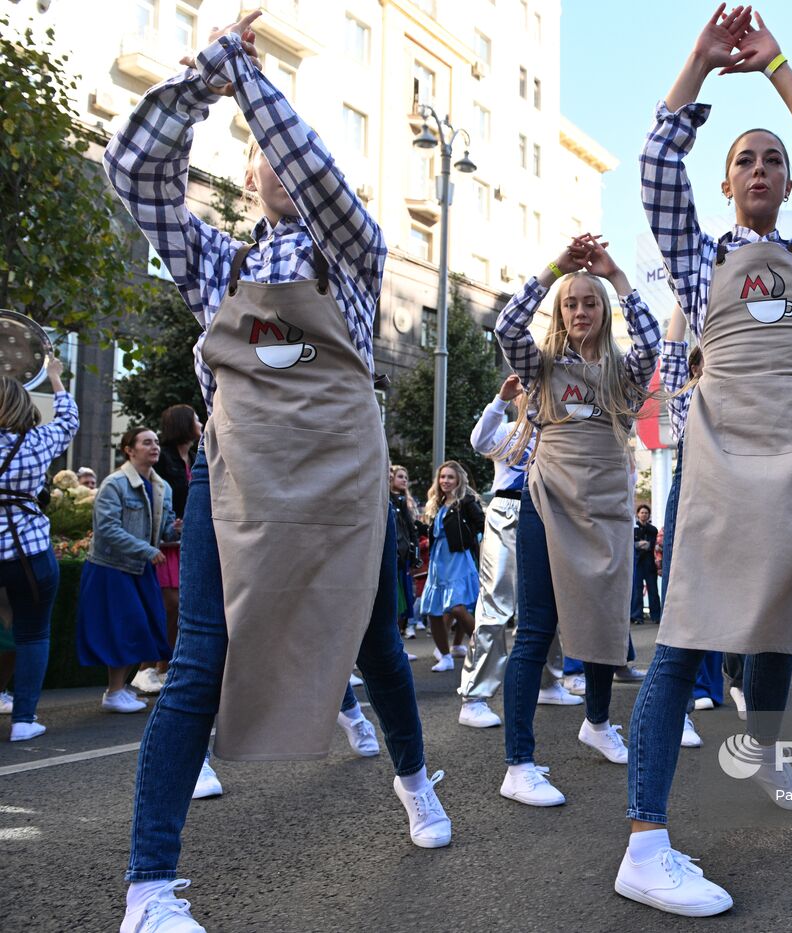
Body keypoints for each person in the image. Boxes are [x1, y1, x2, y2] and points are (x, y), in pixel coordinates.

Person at [106, 15, 451, 929]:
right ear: (249, 175)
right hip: (243, 483)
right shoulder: (219, 262)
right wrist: (198, 86)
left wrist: (249, 78)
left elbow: (326, 189)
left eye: (286, 148)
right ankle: (148, 889)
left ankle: (415, 781)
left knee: (375, 643)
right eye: (260, 153)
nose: (278, 163)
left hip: (343, 481)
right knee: (198, 661)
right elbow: (134, 175)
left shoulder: (353, 254)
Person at [618, 5, 792, 916]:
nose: (763, 168)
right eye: (746, 160)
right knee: (685, 639)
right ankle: (644, 838)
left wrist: (775, 63)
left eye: (772, 160)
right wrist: (702, 64)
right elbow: (652, 169)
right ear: (727, 182)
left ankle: (765, 747)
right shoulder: (696, 253)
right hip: (717, 459)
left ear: (786, 184)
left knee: (779, 625)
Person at [493, 233, 659, 806]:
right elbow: (506, 329)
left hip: (609, 507)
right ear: (559, 313)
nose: (581, 311)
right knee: (536, 630)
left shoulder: (623, 371)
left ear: (605, 309)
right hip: (549, 503)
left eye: (591, 302)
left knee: (604, 620)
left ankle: (597, 722)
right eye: (571, 303)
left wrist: (615, 275)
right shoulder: (539, 368)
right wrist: (552, 270)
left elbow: (654, 341)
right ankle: (519, 763)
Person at [457, 374, 579, 729]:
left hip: (546, 514)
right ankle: (475, 696)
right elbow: (478, 440)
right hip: (507, 512)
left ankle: (549, 680)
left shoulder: (554, 432)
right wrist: (500, 399)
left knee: (547, 601)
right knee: (496, 603)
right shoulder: (509, 429)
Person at [76, 428, 179, 715]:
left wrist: (175, 528)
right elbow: (107, 529)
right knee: (123, 628)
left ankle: (118, 689)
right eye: (147, 442)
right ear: (129, 450)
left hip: (138, 568)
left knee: (139, 627)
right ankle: (114, 691)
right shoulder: (114, 484)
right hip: (111, 567)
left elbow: (163, 529)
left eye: (157, 441)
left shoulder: (161, 487)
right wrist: (147, 550)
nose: (154, 446)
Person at [0, 358, 77, 741]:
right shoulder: (36, 442)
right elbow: (68, 422)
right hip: (29, 553)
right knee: (33, 634)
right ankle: (24, 720)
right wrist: (56, 379)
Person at [657, 305, 719, 742]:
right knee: (681, 596)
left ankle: (714, 686)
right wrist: (685, 296)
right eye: (707, 359)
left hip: (734, 494)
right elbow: (671, 349)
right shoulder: (686, 397)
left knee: (724, 600)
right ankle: (679, 704)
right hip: (692, 487)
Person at [132, 405, 203, 696]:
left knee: (178, 607)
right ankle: (144, 667)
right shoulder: (164, 461)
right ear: (184, 424)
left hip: (185, 540)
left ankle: (164, 666)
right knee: (166, 605)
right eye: (196, 419)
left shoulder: (196, 458)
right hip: (163, 543)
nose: (201, 423)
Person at [420, 461, 483, 673]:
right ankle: (445, 656)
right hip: (438, 561)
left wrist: (472, 540)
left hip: (458, 559)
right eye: (442, 477)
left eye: (450, 477)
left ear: (458, 480)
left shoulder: (465, 502)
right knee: (434, 612)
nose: (445, 481)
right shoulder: (436, 503)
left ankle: (484, 649)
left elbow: (481, 525)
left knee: (457, 607)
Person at [388, 464, 422, 649]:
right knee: (393, 604)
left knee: (402, 604)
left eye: (405, 477)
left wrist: (414, 553)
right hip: (392, 559)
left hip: (402, 559)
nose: (403, 480)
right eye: (399, 476)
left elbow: (411, 531)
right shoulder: (388, 500)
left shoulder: (402, 502)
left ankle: (397, 647)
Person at [631, 504, 662, 624]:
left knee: (653, 590)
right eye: (642, 512)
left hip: (650, 563)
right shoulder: (633, 529)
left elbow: (656, 544)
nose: (644, 514)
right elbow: (629, 543)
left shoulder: (653, 529)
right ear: (637, 514)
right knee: (637, 590)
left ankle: (656, 616)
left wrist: (648, 545)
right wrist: (638, 545)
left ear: (649, 515)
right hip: (638, 563)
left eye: (646, 513)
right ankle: (637, 616)